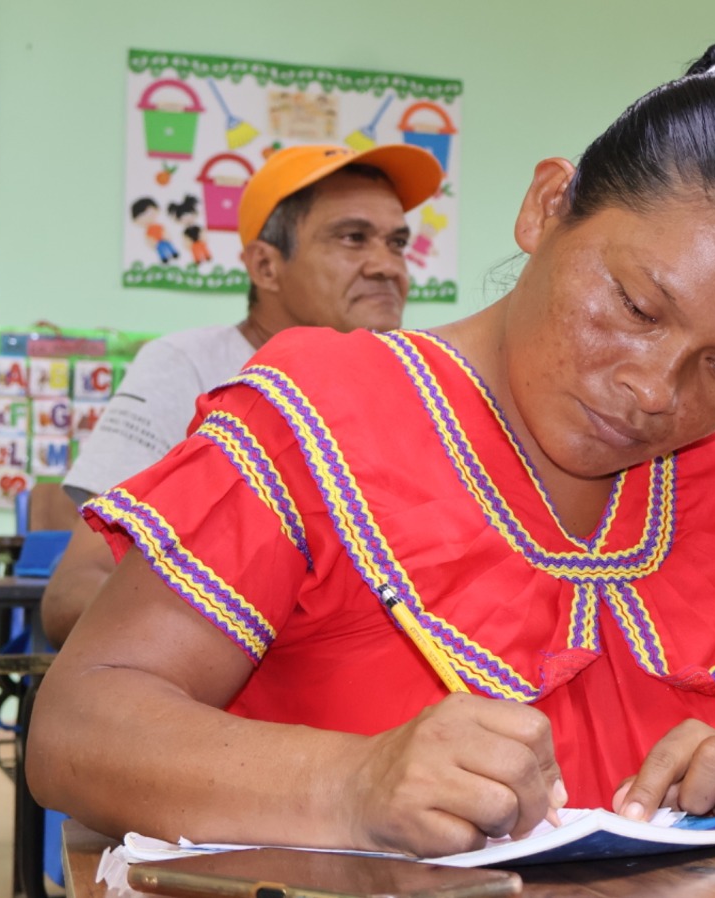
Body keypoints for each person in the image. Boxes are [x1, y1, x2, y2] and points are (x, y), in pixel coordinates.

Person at [28, 43, 715, 858]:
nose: (656, 390)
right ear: (546, 206)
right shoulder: (321, 414)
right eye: (637, 307)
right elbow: (78, 727)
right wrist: (349, 784)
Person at [39, 142, 444, 647]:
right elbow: (73, 594)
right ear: (266, 267)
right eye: (353, 238)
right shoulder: (189, 369)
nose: (389, 267)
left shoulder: (416, 387)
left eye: (397, 243)